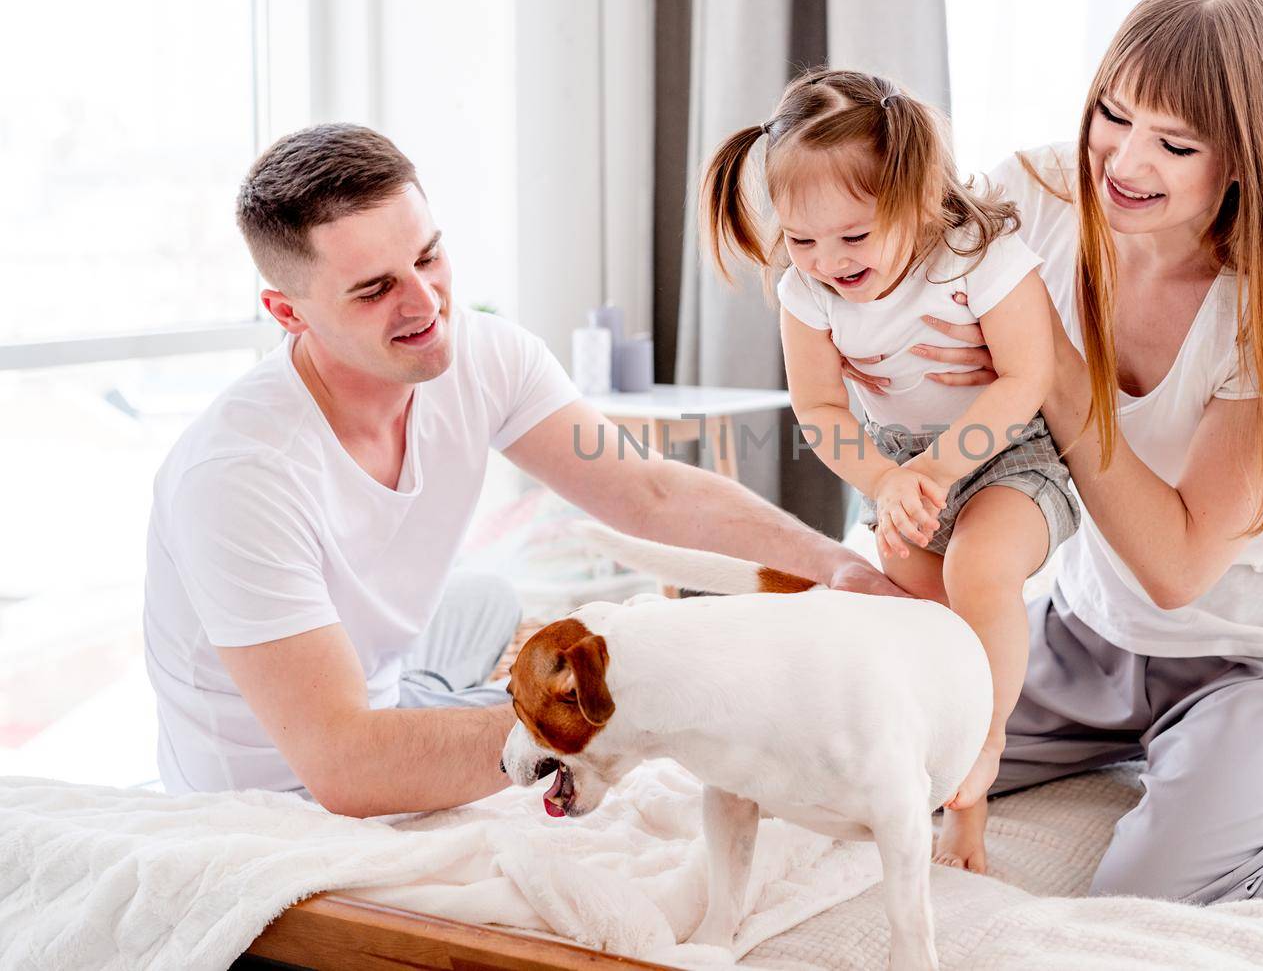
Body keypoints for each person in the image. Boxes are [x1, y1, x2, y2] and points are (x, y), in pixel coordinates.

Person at [142, 123, 902, 817]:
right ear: (288, 313)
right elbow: (346, 765)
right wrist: (630, 712)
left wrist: (837, 569)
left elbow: (649, 490)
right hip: (272, 799)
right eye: (375, 289)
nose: (424, 303)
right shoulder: (240, 477)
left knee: (491, 604)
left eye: (429, 256)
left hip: (390, 700)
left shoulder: (482, 354)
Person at [872, 0, 1263, 885]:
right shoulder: (1033, 197)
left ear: (1245, 157)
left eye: (1174, 142)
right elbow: (892, 295)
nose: (1122, 161)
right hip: (1087, 638)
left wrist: (1049, 366)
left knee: (1145, 891)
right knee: (881, 769)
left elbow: (1176, 568)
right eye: (1112, 113)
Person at [700, 68, 1079, 869]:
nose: (827, 260)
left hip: (1009, 455)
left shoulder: (979, 257)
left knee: (980, 571)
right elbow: (822, 412)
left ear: (913, 200)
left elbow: (1025, 379)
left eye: (852, 236)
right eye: (801, 240)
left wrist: (938, 471)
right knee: (920, 609)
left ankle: (988, 737)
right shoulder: (807, 291)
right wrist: (884, 482)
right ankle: (956, 804)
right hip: (902, 468)